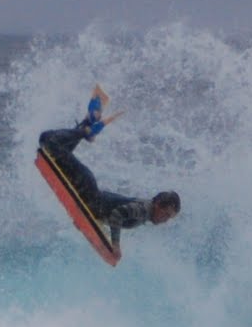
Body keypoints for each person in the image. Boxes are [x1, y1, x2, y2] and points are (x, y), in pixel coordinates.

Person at [38, 84, 180, 250]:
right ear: (158, 206)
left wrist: (92, 221)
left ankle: (89, 124)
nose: (165, 221)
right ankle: (87, 131)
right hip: (87, 190)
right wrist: (115, 244)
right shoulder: (143, 211)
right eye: (167, 215)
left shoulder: (145, 209)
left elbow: (111, 208)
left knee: (55, 148)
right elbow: (116, 215)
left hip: (89, 190)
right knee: (49, 142)